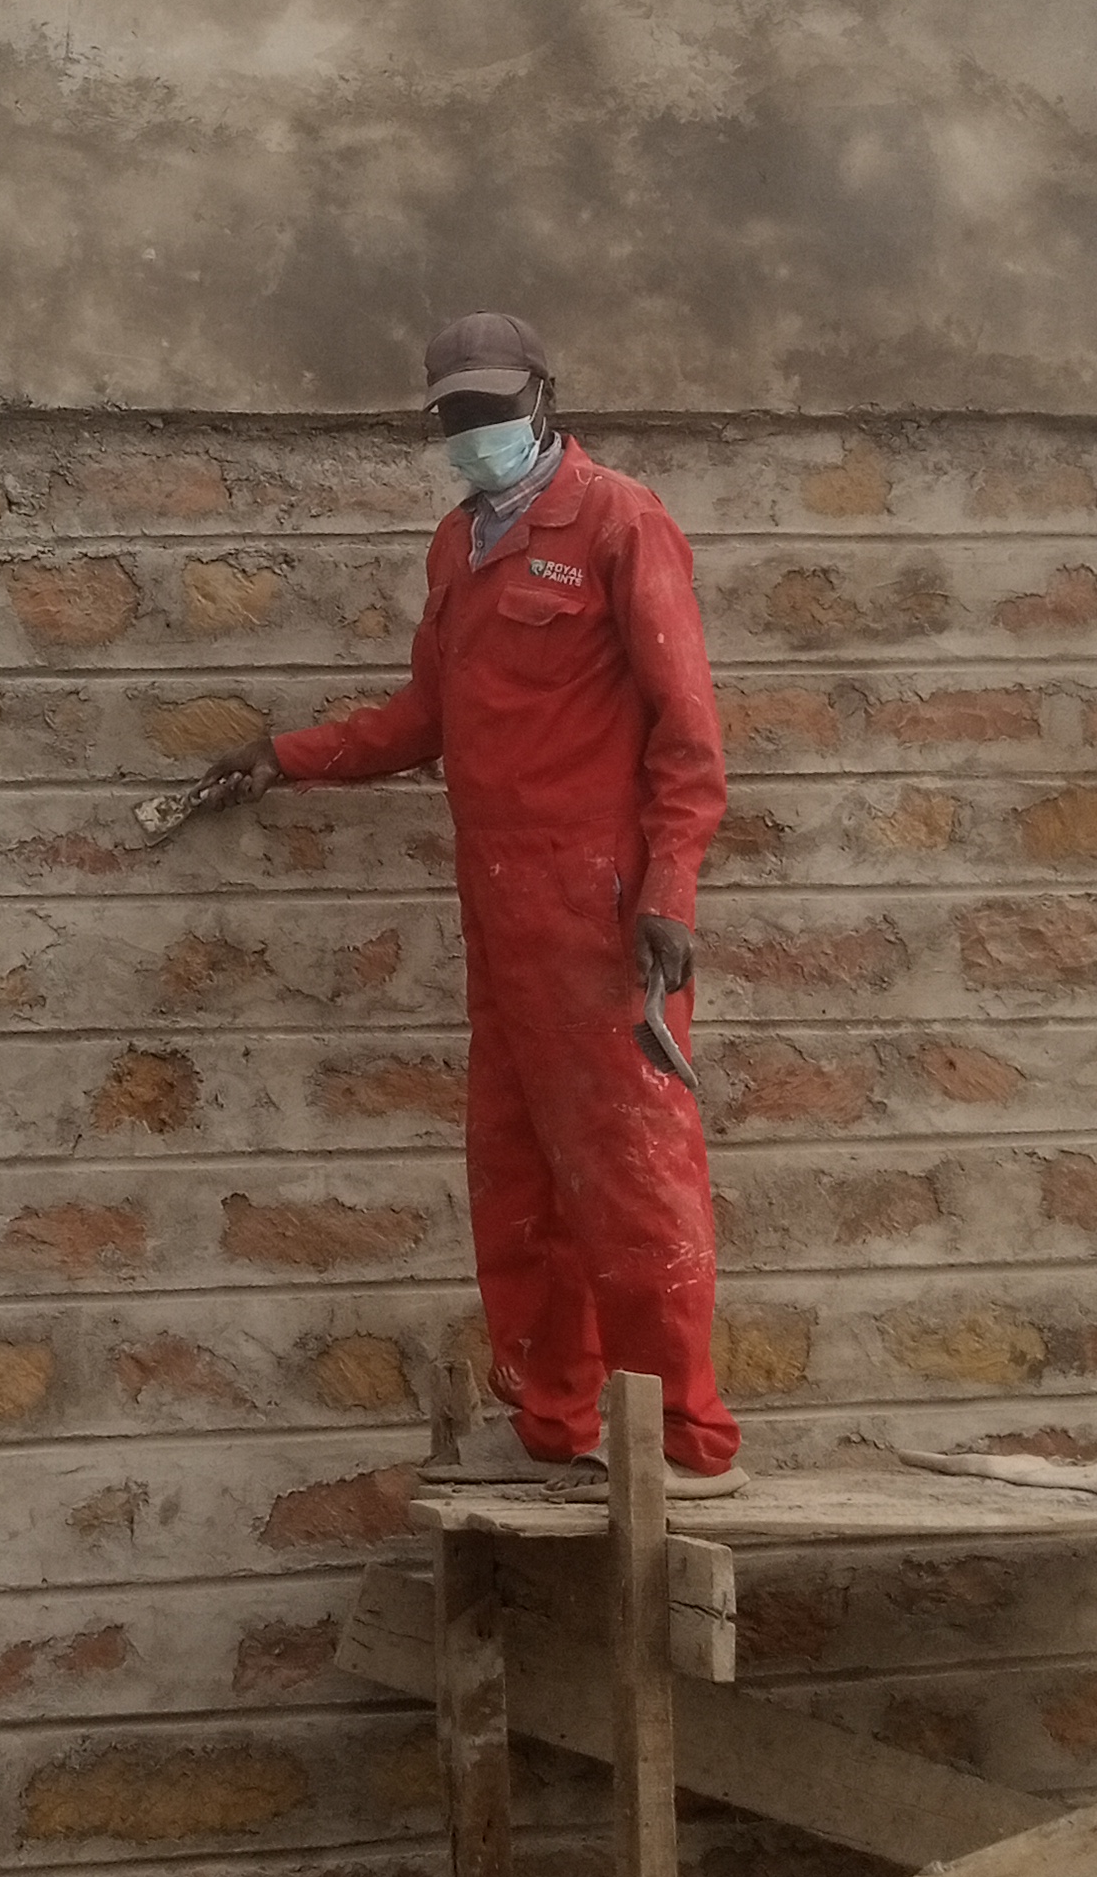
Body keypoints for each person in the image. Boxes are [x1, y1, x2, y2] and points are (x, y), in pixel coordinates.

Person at [212, 312, 744, 1493]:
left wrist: (670, 886)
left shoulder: (620, 521)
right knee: (518, 1185)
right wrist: (288, 754)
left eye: (493, 408)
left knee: (632, 1179)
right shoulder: (461, 545)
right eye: (455, 415)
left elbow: (690, 735)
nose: (476, 430)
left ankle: (691, 1453)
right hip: (500, 918)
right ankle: (556, 1428)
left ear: (544, 396)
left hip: (600, 912)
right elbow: (425, 719)